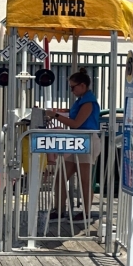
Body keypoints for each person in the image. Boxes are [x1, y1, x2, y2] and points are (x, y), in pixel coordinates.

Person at [46, 69, 101, 219]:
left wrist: (55, 115)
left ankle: (86, 213)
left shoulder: (88, 103)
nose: (71, 90)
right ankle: (59, 210)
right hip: (77, 141)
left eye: (73, 87)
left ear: (82, 86)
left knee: (84, 180)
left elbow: (76, 124)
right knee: (60, 176)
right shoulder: (81, 101)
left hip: (86, 141)